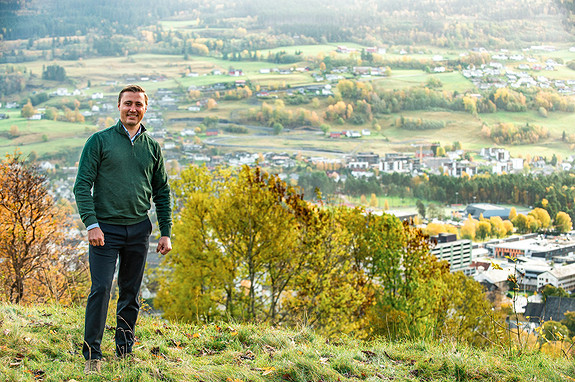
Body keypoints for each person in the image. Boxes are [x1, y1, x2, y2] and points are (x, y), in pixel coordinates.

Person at [73, 84, 172, 374]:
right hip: (104, 230)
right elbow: (82, 185)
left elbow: (162, 192)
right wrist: (91, 224)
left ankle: (124, 350)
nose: (133, 109)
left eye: (138, 105)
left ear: (145, 109)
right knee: (101, 288)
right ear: (119, 107)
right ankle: (92, 354)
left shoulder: (152, 147)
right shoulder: (99, 141)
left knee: (130, 292)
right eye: (128, 103)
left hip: (139, 230)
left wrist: (165, 231)